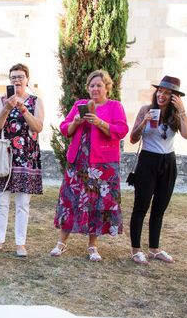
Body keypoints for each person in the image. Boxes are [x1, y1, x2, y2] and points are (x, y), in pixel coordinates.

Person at [51, 70, 129, 261]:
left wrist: (100, 123)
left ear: (107, 88)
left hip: (102, 163)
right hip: (78, 160)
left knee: (97, 203)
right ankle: (61, 242)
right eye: (92, 85)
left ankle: (93, 246)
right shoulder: (79, 105)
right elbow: (64, 128)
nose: (95, 89)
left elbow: (122, 130)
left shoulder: (114, 106)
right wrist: (76, 121)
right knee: (71, 199)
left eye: (99, 85)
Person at [128, 76, 187, 265]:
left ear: (175, 97)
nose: (162, 95)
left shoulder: (175, 114)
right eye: (160, 91)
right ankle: (136, 250)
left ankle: (154, 249)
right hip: (148, 160)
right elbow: (132, 138)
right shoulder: (146, 110)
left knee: (160, 208)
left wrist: (182, 111)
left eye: (168, 93)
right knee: (141, 207)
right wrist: (143, 122)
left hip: (168, 162)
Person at [0, 63, 44, 257]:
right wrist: (7, 108)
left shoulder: (35, 101)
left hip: (27, 156)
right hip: (4, 156)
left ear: (27, 79)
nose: (16, 80)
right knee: (1, 201)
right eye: (13, 77)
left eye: (20, 77)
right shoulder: (1, 100)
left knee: (22, 204)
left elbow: (37, 127)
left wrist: (22, 108)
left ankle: (20, 243)